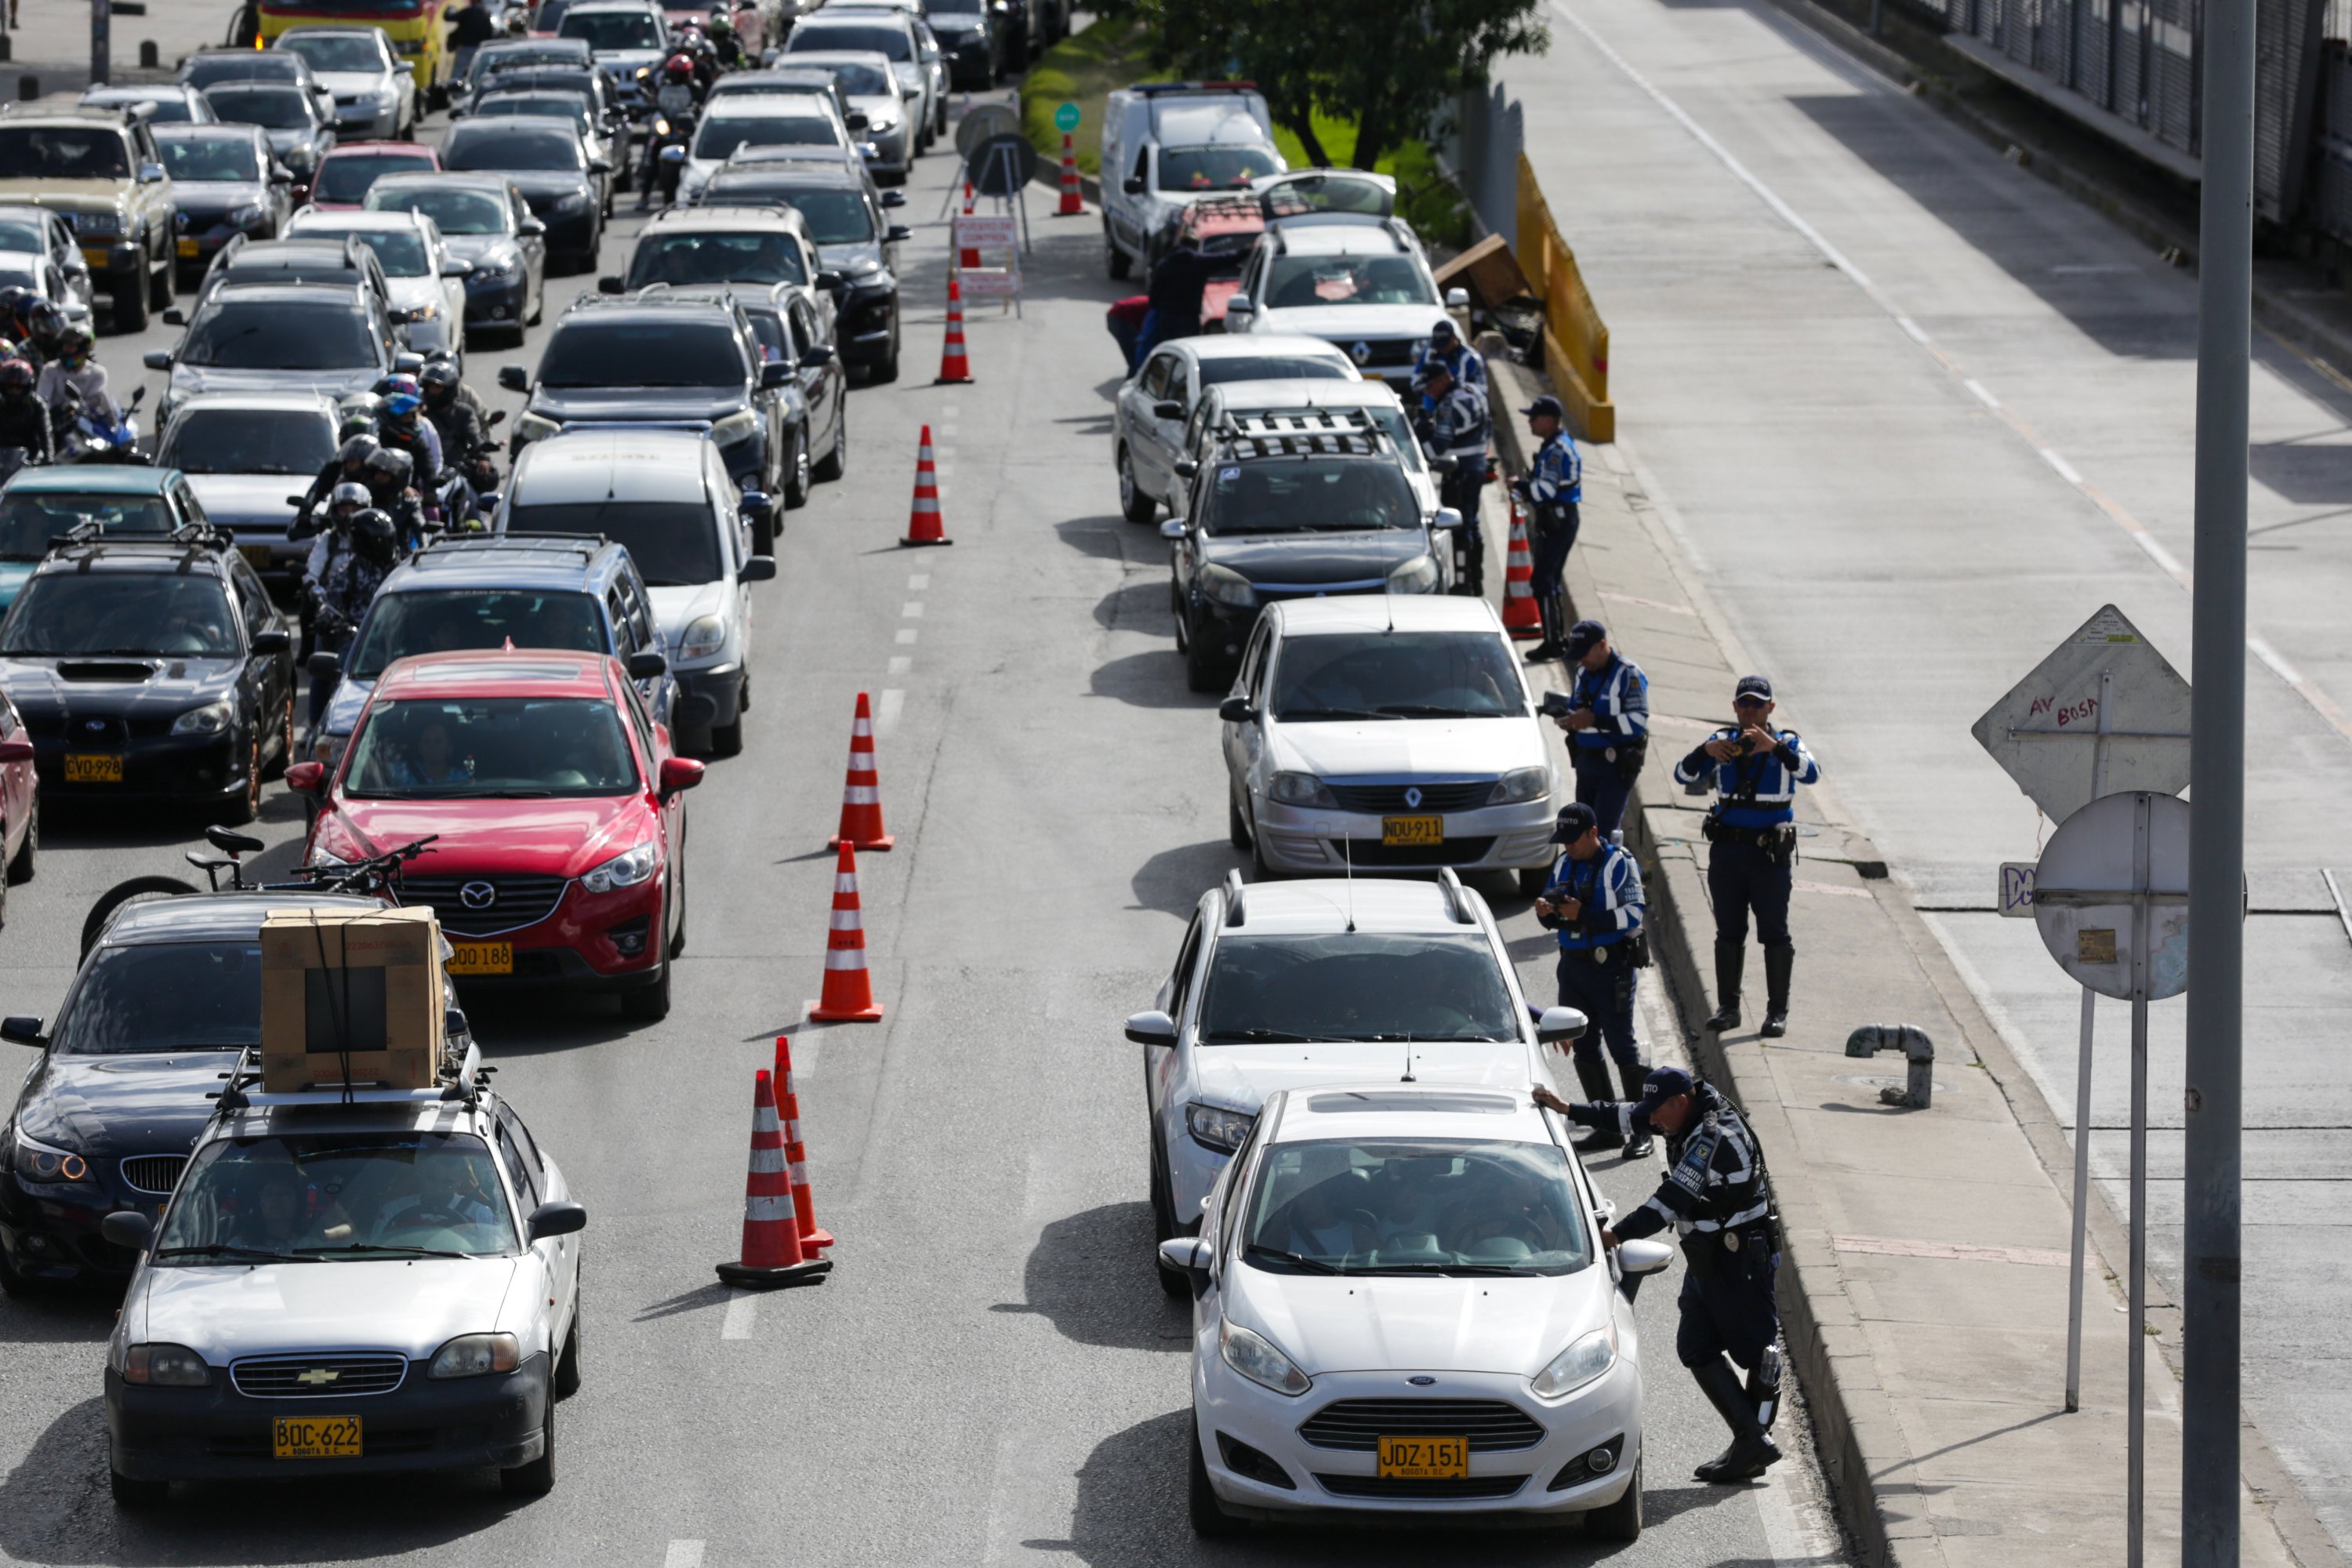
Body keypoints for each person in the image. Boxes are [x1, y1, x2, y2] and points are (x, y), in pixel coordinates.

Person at [1535, 1065, 1783, 1483]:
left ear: (1680, 1102)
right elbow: (1630, 1113)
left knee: (1759, 1355)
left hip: (1739, 1261)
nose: (1651, 1121)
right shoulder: (1681, 1109)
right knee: (1695, 1346)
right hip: (1710, 1257)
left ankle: (1754, 1443)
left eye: (1658, 1112)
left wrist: (1615, 1234)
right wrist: (1568, 1109)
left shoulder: (1711, 1138)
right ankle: (1752, 1441)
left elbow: (1672, 1200)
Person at [1673, 676, 1820, 1037]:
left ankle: (1777, 1012)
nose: (1751, 711)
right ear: (1736, 707)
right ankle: (1729, 1008)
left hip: (1769, 856)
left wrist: (1774, 749)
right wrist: (1704, 752)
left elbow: (1812, 774)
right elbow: (1682, 774)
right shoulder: (1721, 742)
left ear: (1771, 708)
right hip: (1728, 852)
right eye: (1745, 704)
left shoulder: (1787, 742)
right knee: (1729, 931)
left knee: (1774, 933)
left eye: (1759, 704)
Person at [1532, 801, 1652, 1158]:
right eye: (1563, 839)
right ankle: (1607, 1127)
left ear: (1594, 833)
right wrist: (1547, 914)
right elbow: (1557, 919)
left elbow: (1633, 913)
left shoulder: (1619, 863)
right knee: (1582, 1044)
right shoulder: (1564, 863)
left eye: (1573, 839)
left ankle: (1639, 1128)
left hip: (1610, 965)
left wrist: (1584, 914)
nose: (1568, 845)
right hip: (1573, 966)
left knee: (1621, 1046)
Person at [1551, 620, 1647, 840]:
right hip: (1586, 763)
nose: (1582, 658)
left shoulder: (1628, 674)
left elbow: (1637, 722)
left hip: (1614, 766)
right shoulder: (1583, 672)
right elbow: (1579, 709)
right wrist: (1569, 719)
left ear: (1602, 645)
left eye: (1585, 652)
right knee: (1580, 831)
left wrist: (1594, 720)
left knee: (1602, 833)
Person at [1414, 358, 1490, 594]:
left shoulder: (1448, 405)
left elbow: (1440, 444)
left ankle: (1463, 581)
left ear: (1441, 382)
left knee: (1459, 525)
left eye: (1429, 388)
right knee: (1472, 523)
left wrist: (1418, 452)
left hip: (1460, 472)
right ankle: (1475, 578)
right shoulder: (1473, 390)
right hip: (1477, 467)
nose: (1428, 393)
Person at [1515, 394, 1581, 661]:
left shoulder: (1556, 451)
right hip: (1557, 519)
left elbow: (1544, 490)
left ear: (1549, 420)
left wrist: (1520, 486)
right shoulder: (1553, 445)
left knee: (1543, 580)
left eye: (1534, 417)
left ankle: (1553, 641)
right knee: (1548, 580)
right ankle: (1556, 638)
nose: (1530, 422)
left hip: (1560, 520)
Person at [1138, 234, 1210, 361]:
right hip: (1188, 317)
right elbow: (1225, 259)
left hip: (1167, 316)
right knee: (1190, 352)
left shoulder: (1165, 264)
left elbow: (1154, 292)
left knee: (1168, 351)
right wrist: (1244, 251)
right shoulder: (1200, 263)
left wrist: (1158, 308)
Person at [36, 325, 117, 435]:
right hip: (58, 428)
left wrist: (78, 407)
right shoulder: (50, 370)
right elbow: (43, 401)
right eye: (64, 345)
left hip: (88, 427)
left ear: (84, 348)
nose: (66, 349)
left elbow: (96, 399)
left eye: (71, 346)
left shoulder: (98, 373)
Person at [375, 373, 442, 495]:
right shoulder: (375, 438)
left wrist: (429, 487)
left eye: (412, 415)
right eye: (406, 416)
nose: (411, 421)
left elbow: (431, 464)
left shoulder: (418, 439)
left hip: (414, 495)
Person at [1412, 316, 1485, 407]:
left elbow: (1482, 390)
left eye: (1445, 344)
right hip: (1434, 405)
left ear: (1454, 337)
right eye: (1438, 344)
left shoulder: (1471, 358)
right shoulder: (1429, 353)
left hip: (1464, 406)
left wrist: (1452, 389)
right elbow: (1416, 380)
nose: (1442, 348)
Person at [0, 357, 55, 466]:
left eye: (18, 387)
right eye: (10, 387)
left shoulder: (37, 405)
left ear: (27, 386)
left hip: (29, 459)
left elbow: (46, 433)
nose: (14, 391)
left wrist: (48, 459)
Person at [1106, 294, 1149, 373]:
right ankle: (1132, 381)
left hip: (1113, 314)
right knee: (1136, 361)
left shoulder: (1154, 301)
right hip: (1121, 318)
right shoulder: (1157, 308)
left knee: (1136, 355)